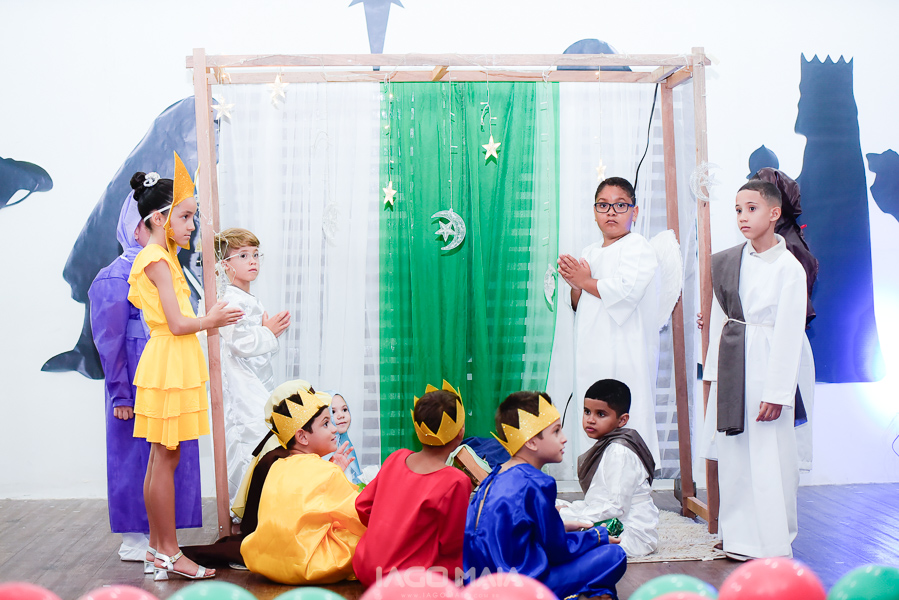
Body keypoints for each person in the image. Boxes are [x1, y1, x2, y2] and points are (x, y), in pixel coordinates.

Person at [128, 155, 243, 580]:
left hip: (170, 360)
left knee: (162, 458)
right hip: (168, 362)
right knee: (165, 458)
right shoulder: (156, 260)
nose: (192, 225)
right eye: (185, 216)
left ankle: (158, 549)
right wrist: (211, 320)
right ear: (159, 219)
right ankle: (170, 552)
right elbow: (177, 324)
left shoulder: (164, 255)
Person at [89, 191, 203, 568]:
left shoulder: (164, 264)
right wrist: (120, 394)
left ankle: (161, 539)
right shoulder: (117, 275)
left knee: (165, 455)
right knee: (137, 459)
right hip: (140, 378)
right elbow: (110, 341)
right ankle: (137, 538)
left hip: (165, 373)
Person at [700, 179, 807, 560]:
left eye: (751, 208)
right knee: (734, 453)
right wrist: (712, 376)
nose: (743, 217)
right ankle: (739, 537)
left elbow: (790, 334)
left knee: (770, 454)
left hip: (766, 365)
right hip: (733, 366)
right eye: (738, 210)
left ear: (774, 213)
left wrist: (777, 393)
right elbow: (721, 320)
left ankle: (773, 540)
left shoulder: (789, 268)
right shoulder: (730, 261)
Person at [463, 392, 627, 599]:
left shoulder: (493, 477)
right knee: (613, 555)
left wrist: (562, 527)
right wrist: (596, 536)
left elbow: (508, 533)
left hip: (482, 586)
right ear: (531, 442)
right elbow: (557, 551)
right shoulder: (536, 482)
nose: (564, 438)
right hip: (520, 588)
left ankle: (596, 593)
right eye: (556, 431)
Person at [558, 176, 662, 466]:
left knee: (621, 408)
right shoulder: (589, 252)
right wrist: (575, 286)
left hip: (624, 347)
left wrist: (584, 280)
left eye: (620, 205)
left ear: (634, 211)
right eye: (603, 205)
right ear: (594, 212)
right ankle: (594, 477)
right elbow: (578, 304)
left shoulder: (637, 246)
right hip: (590, 348)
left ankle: (630, 477)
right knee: (592, 410)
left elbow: (626, 292)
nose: (611, 212)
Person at [240, 380, 363, 585]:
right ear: (302, 437)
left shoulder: (277, 466)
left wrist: (332, 470)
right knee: (366, 537)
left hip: (270, 563)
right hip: (308, 565)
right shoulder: (326, 472)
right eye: (326, 423)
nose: (334, 429)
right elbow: (357, 516)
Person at [354, 381, 472, 587]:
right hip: (405, 581)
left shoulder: (396, 458)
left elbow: (363, 505)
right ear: (460, 432)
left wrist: (391, 536)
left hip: (366, 568)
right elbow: (452, 544)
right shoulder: (456, 481)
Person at [214, 227, 290, 511]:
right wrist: (268, 332)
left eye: (256, 254)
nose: (253, 261)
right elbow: (239, 342)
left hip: (255, 380)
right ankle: (242, 509)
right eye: (243, 255)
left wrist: (267, 332)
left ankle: (257, 507)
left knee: (262, 438)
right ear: (225, 264)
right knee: (248, 440)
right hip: (240, 386)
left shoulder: (246, 298)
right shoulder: (231, 300)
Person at [557, 379, 659, 557]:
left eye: (601, 414)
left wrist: (569, 514)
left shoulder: (619, 452)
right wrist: (569, 511)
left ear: (622, 420)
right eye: (587, 411)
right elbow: (601, 500)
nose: (590, 420)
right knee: (548, 505)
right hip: (612, 517)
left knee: (552, 526)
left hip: (629, 534)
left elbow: (616, 507)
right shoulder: (610, 445)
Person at [325, 391, 363, 485]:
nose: (341, 415)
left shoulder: (345, 443)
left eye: (345, 410)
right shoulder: (322, 451)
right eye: (333, 412)